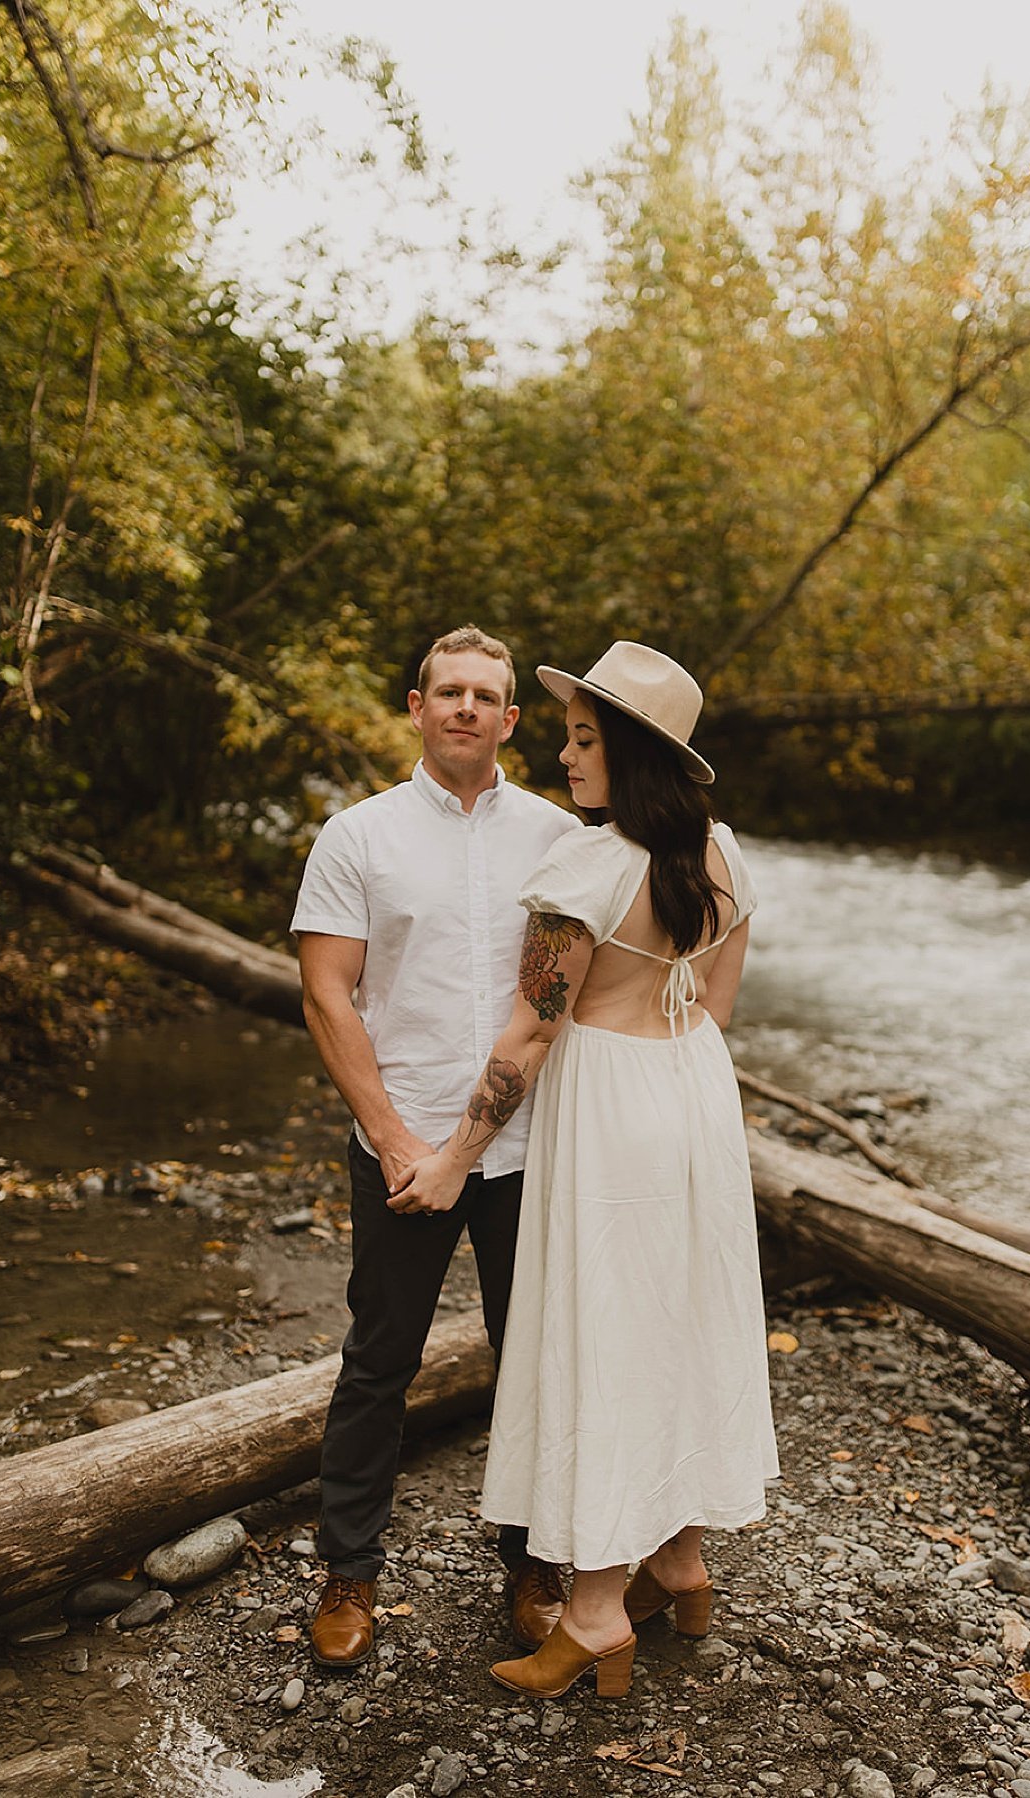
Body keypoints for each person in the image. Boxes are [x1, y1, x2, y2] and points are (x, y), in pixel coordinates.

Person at [390, 640, 779, 1700]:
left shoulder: (581, 871)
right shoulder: (727, 857)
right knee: (679, 1320)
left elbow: (527, 1038)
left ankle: (598, 1611)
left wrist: (451, 1163)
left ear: (636, 754)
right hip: (695, 1094)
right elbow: (717, 1008)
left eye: (584, 737)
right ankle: (682, 1566)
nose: (565, 754)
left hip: (609, 1110)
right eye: (567, 733)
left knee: (608, 1330)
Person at [291, 624, 581, 1669]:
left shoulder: (558, 837)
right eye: (445, 690)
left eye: (484, 695)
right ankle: (349, 1572)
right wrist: (392, 1134)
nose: (464, 707)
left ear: (511, 719)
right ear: (415, 707)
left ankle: (535, 1563)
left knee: (535, 1360)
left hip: (529, 1146)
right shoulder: (356, 836)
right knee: (379, 1362)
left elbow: (552, 999)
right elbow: (328, 992)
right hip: (400, 1146)